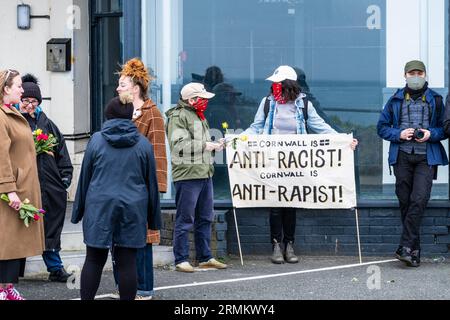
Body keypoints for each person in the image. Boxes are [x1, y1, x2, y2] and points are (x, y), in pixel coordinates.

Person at [243, 66, 358, 264]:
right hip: (273, 161)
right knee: (275, 204)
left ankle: (289, 244)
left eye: (278, 83)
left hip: (296, 162)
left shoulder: (304, 104)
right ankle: (276, 245)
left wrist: (343, 140)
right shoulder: (267, 103)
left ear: (289, 85)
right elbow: (257, 127)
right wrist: (237, 141)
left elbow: (320, 126)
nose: (274, 87)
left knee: (291, 204)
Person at [71, 96, 161, 300]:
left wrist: (78, 212)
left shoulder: (96, 140)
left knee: (93, 259)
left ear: (108, 115)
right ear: (131, 116)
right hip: (132, 207)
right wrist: (154, 219)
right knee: (127, 262)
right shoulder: (143, 144)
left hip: (99, 205)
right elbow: (151, 184)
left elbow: (85, 177)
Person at [377, 60, 448, 268]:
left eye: (419, 72)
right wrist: (398, 133)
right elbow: (381, 128)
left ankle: (405, 246)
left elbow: (445, 129)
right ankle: (413, 251)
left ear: (425, 75)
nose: (415, 76)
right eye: (412, 73)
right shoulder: (395, 99)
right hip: (402, 157)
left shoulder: (435, 99)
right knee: (405, 201)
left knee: (419, 199)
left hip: (427, 158)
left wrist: (430, 134)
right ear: (405, 76)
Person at [115, 58, 167, 300]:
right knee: (121, 238)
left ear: (135, 88)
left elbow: (158, 152)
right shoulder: (119, 112)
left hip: (142, 187)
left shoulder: (152, 113)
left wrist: (157, 188)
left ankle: (144, 289)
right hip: (117, 186)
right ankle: (124, 287)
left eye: (123, 84)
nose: (118, 88)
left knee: (143, 239)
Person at [166, 82, 228, 272]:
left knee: (205, 217)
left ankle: (205, 257)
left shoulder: (196, 114)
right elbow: (178, 145)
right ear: (191, 100)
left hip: (203, 172)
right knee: (185, 219)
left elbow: (197, 144)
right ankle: (181, 259)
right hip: (187, 175)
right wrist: (206, 146)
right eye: (202, 99)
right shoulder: (178, 116)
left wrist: (215, 145)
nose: (205, 102)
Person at [18, 74, 74, 283]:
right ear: (19, 101)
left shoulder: (47, 124)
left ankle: (55, 268)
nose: (30, 105)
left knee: (50, 226)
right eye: (26, 101)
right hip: (24, 184)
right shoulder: (13, 121)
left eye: (34, 101)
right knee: (21, 226)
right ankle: (13, 270)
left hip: (50, 186)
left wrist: (65, 178)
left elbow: (62, 153)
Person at [0, 69, 45, 300]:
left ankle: (7, 288)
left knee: (13, 244)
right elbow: (1, 157)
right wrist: (9, 189)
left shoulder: (11, 112)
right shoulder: (1, 116)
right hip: (10, 191)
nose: (22, 89)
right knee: (7, 243)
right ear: (6, 89)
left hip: (21, 187)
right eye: (18, 86)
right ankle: (3, 290)